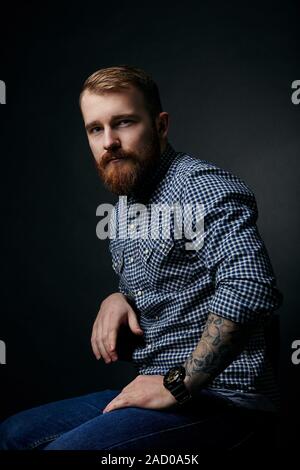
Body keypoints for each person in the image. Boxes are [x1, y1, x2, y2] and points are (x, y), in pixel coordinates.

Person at [0, 65, 283, 451]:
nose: (109, 142)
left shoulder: (201, 187)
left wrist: (179, 383)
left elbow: (250, 286)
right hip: (158, 389)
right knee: (12, 434)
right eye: (95, 129)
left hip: (223, 399)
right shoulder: (123, 206)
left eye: (124, 122)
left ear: (161, 125)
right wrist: (119, 298)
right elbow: (172, 286)